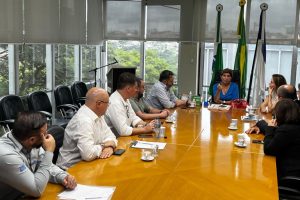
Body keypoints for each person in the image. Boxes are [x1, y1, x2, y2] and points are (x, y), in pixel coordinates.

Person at [0, 112, 76, 199]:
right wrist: (49, 152)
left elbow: (45, 165)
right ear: (32, 140)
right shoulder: (6, 155)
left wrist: (63, 177)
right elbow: (36, 190)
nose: (47, 135)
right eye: (44, 133)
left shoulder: (27, 140)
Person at [57, 87, 118, 170]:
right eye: (108, 103)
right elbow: (88, 154)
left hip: (89, 164)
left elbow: (111, 136)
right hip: (70, 170)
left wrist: (110, 147)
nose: (108, 106)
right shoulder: (83, 120)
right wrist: (104, 146)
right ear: (99, 104)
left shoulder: (98, 115)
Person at [105, 72, 154, 137]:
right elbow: (123, 131)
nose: (137, 90)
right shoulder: (115, 102)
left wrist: (146, 125)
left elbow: (133, 117)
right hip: (116, 140)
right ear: (128, 89)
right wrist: (144, 129)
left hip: (124, 138)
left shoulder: (126, 99)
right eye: (136, 87)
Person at [263, 99, 300, 181]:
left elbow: (268, 149)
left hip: (289, 174)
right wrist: (260, 126)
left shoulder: (286, 130)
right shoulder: (294, 126)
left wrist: (269, 128)